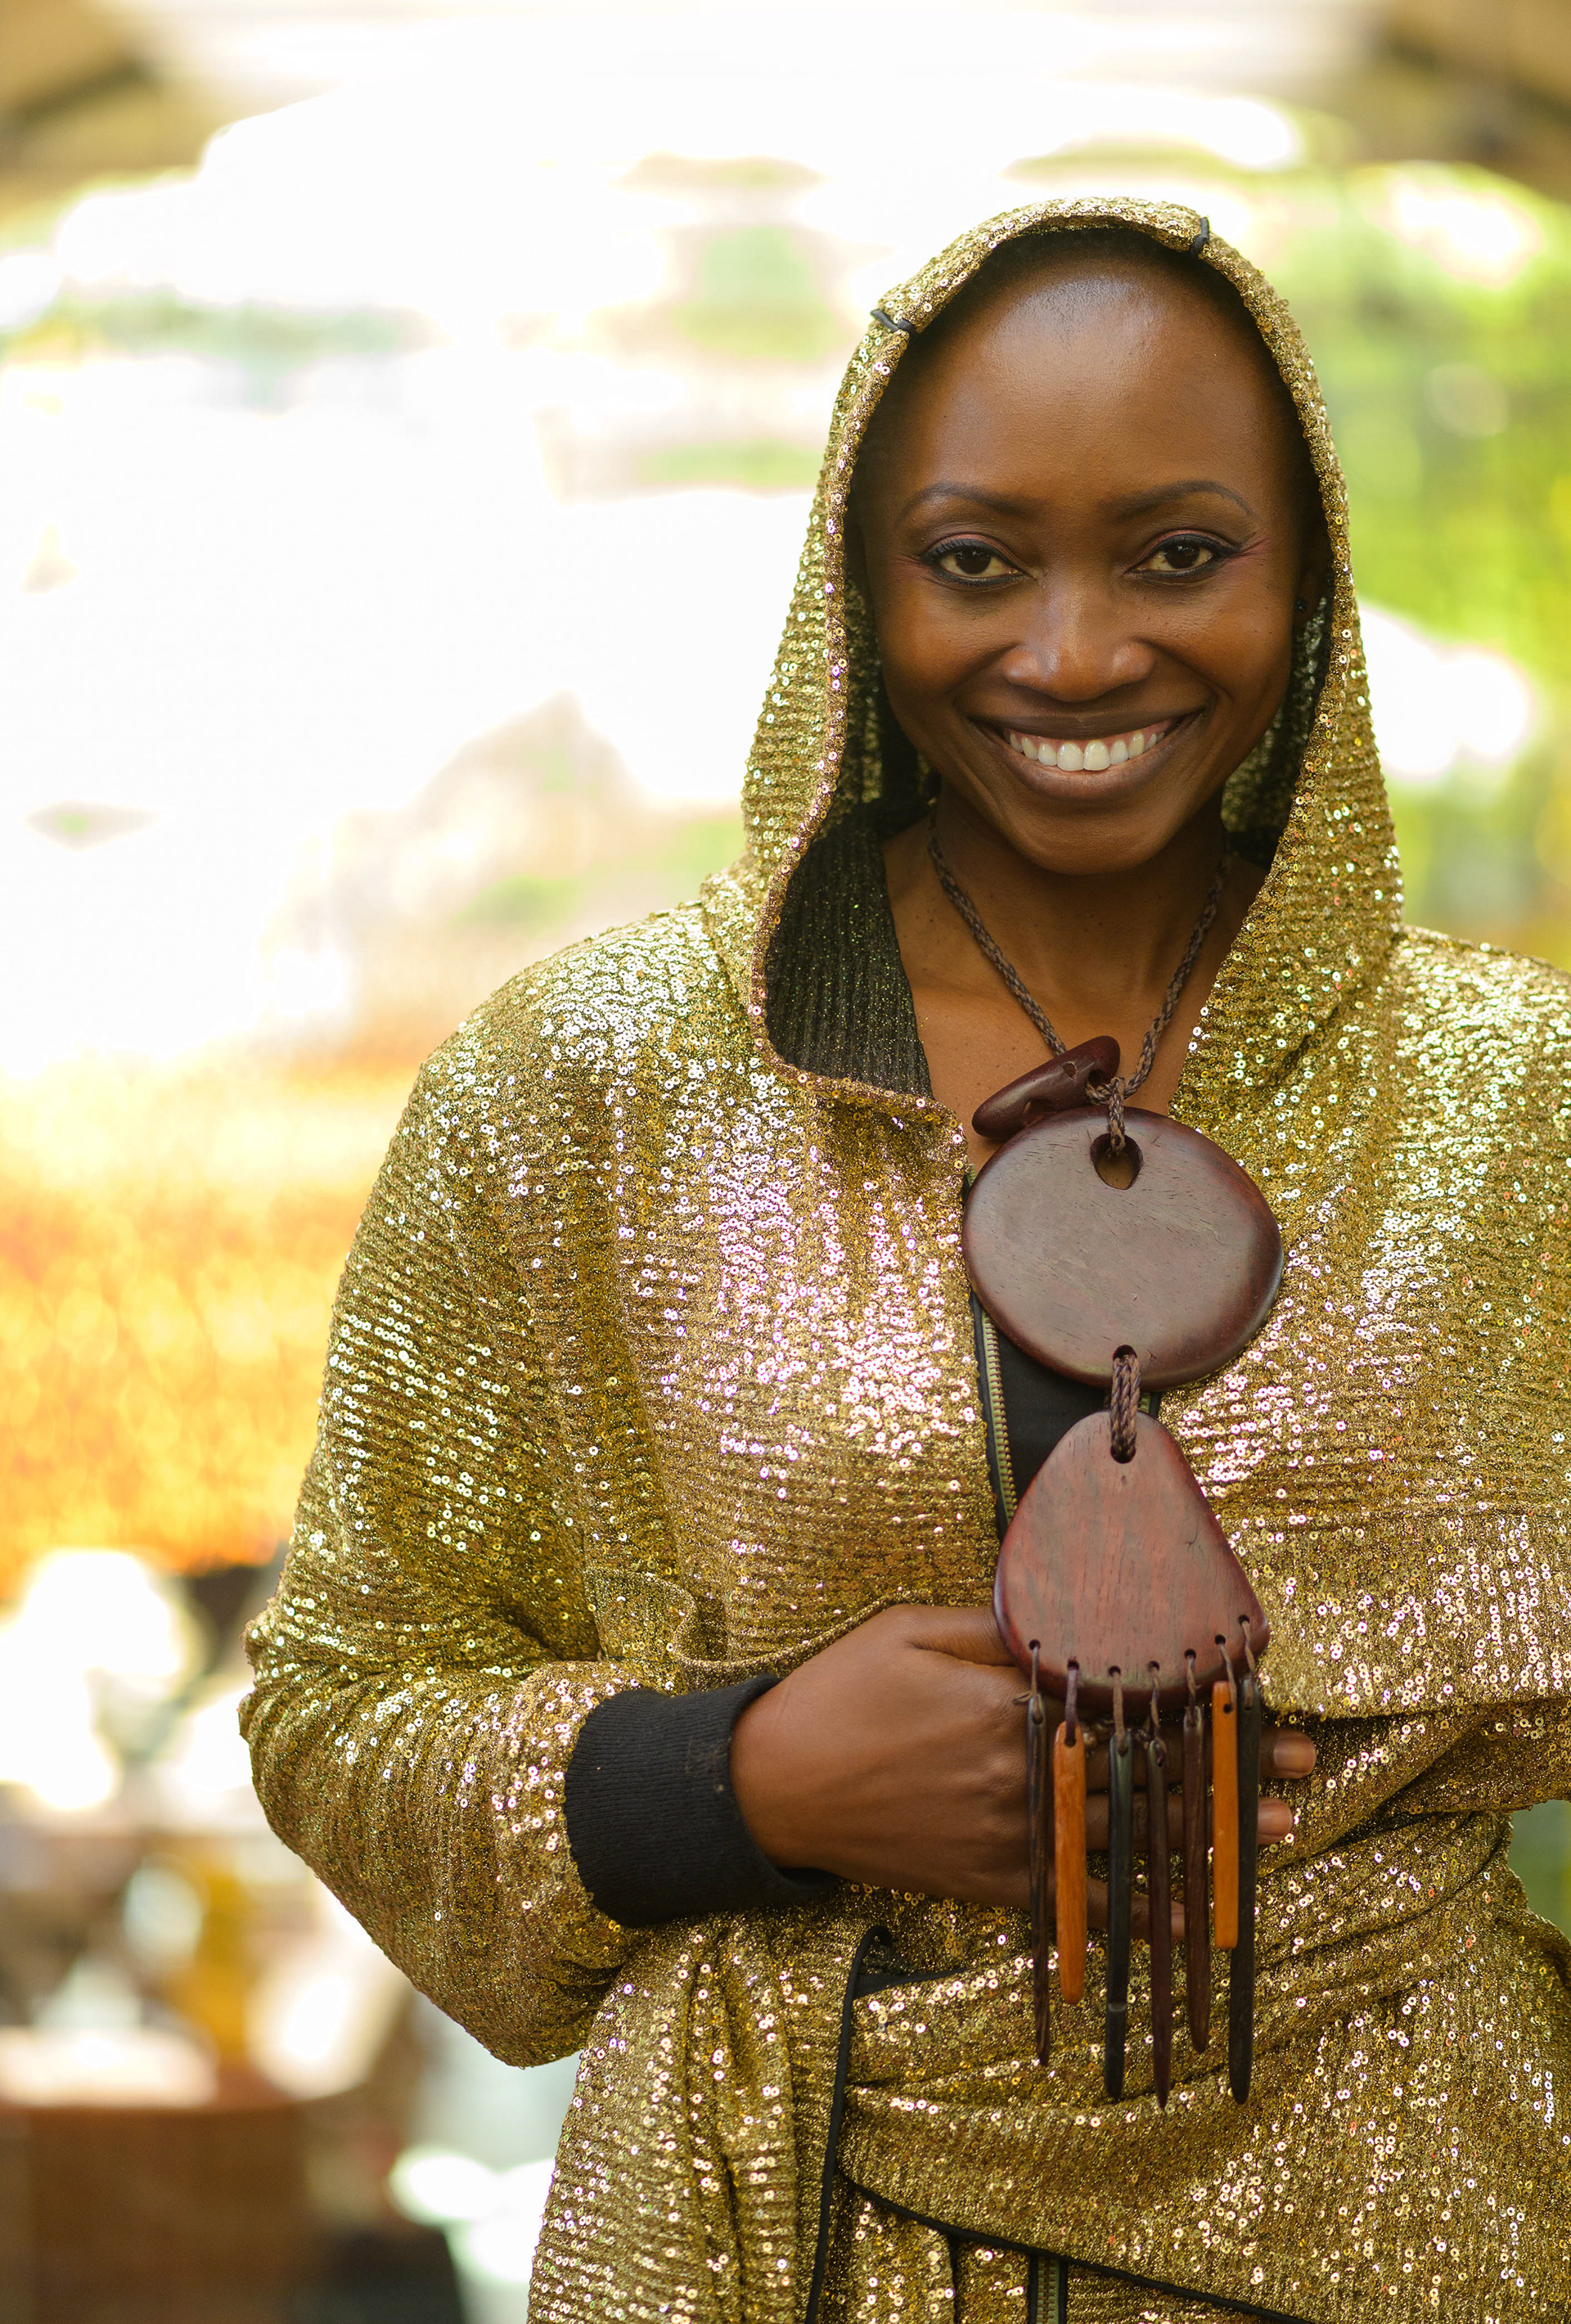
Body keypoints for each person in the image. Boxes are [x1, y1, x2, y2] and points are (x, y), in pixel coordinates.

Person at [243, 200, 1571, 2322]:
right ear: (855, 587)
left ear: (1309, 575)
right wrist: (733, 1777)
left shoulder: (1520, 1102)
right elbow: (342, 1703)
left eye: (1177, 554)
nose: (1076, 654)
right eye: (976, 561)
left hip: (1426, 2221)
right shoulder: (590, 1090)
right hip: (782, 2229)